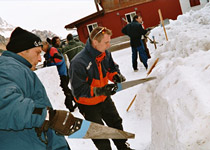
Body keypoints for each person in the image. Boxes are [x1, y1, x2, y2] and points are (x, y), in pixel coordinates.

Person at [0, 27, 76, 150]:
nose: (40, 58)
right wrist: (47, 116)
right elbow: (4, 103)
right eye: (37, 53)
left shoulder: (19, 69)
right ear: (23, 51)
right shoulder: (9, 67)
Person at [69, 26, 133, 150]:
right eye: (106, 42)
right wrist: (100, 90)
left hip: (104, 98)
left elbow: (111, 68)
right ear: (95, 42)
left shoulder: (105, 54)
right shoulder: (78, 62)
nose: (109, 45)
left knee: (115, 123)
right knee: (99, 133)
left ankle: (123, 147)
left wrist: (115, 76)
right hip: (87, 104)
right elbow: (78, 90)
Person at [42, 41, 76, 112]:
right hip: (60, 73)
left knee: (65, 90)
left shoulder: (52, 50)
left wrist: (49, 62)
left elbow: (59, 60)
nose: (42, 49)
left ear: (46, 45)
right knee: (66, 89)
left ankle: (70, 107)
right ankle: (77, 100)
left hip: (62, 73)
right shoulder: (49, 52)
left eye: (42, 47)